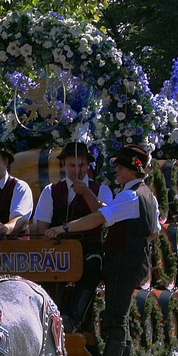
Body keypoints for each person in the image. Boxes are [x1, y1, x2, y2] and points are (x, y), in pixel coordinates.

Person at [46, 143, 159, 356]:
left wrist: (65, 228)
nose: (116, 170)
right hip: (132, 262)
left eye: (120, 166)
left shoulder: (130, 196)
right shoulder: (146, 195)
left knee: (116, 321)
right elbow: (153, 233)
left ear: (131, 169)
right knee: (122, 320)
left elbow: (100, 218)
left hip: (123, 263)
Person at [30, 142, 112, 331]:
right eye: (72, 165)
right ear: (64, 165)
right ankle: (48, 317)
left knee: (93, 265)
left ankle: (73, 319)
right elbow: (41, 226)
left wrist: (87, 193)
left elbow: (105, 217)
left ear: (88, 166)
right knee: (45, 267)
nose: (77, 170)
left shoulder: (101, 190)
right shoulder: (51, 191)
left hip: (88, 248)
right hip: (57, 247)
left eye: (81, 165)